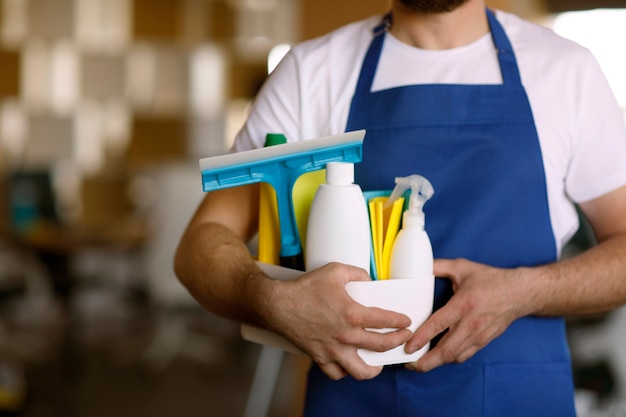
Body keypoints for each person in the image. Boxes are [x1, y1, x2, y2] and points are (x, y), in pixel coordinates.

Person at [174, 0, 626, 415]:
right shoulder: (310, 73)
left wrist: (524, 292)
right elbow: (200, 246)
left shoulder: (565, 71)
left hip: (519, 397)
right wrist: (270, 300)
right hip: (353, 399)